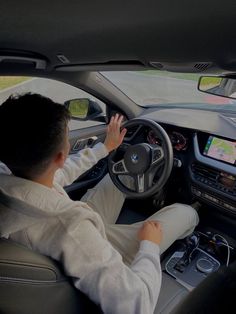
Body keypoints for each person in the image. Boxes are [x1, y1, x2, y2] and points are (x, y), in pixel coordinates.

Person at [0, 93, 199, 314]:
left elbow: (58, 174)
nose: (68, 143)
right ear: (60, 156)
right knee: (185, 212)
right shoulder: (71, 227)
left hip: (55, 231)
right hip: (81, 245)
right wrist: (149, 246)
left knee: (118, 177)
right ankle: (195, 215)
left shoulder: (8, 174)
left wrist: (104, 148)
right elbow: (138, 305)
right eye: (67, 138)